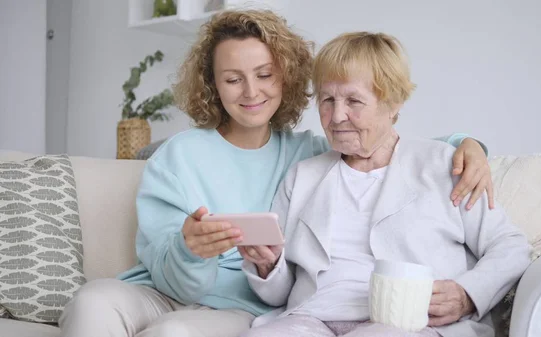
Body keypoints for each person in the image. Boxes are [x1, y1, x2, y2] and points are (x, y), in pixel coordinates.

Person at [59, 10, 494, 337]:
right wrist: (190, 250)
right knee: (91, 301)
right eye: (232, 79)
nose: (251, 92)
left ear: (285, 77)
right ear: (212, 85)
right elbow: (172, 279)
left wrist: (468, 144)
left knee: (172, 333)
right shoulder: (178, 155)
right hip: (162, 289)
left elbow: (382, 141)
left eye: (265, 74)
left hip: (241, 305)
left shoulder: (310, 155)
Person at [239, 32, 531, 337]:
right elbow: (278, 294)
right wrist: (268, 266)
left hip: (407, 322)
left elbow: (510, 247)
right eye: (327, 100)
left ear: (392, 103)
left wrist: (468, 294)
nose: (337, 116)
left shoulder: (445, 165)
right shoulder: (302, 177)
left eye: (354, 101)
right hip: (311, 318)